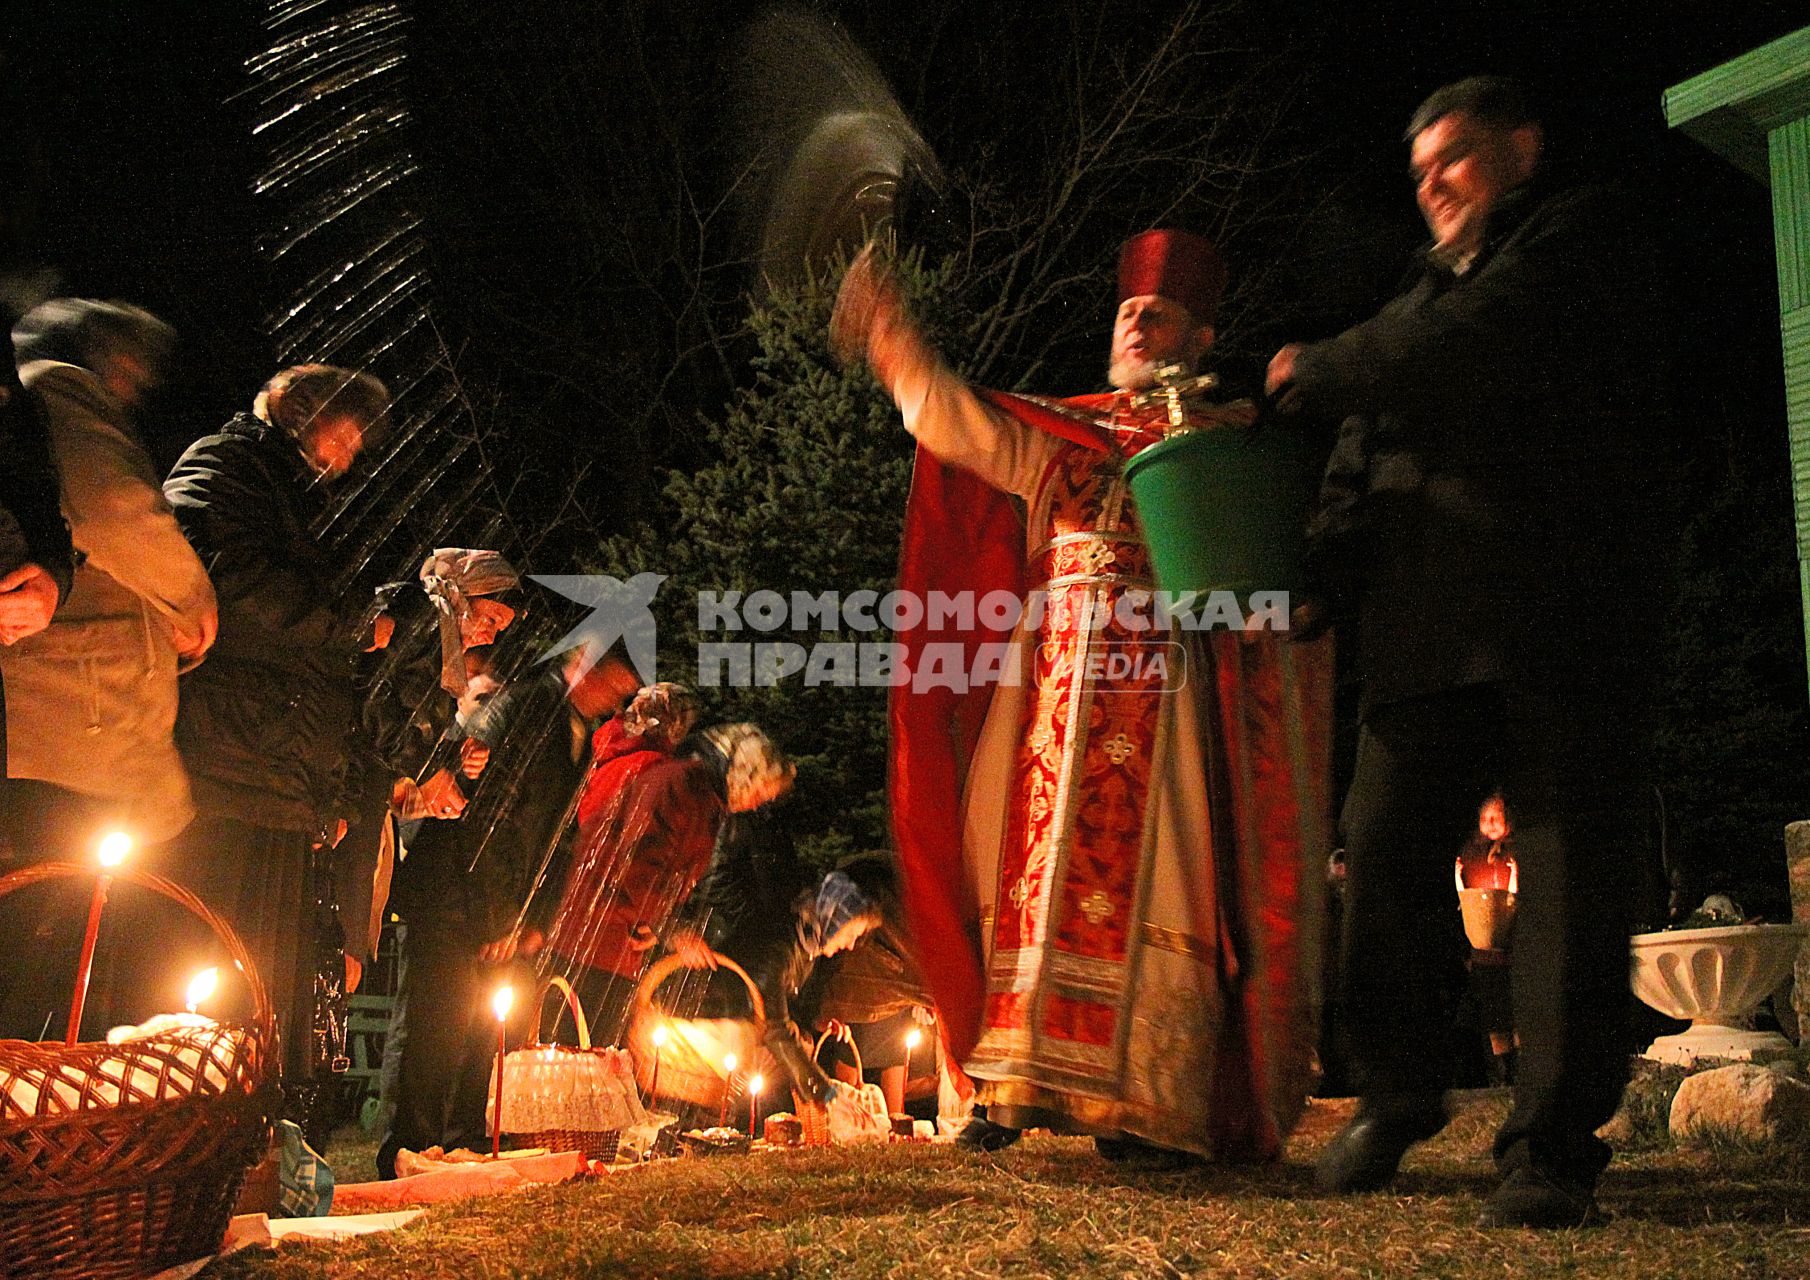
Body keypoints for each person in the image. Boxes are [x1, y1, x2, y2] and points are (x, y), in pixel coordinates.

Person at [833, 234, 1332, 1165]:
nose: (1138, 322)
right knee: (1026, 866)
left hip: (1171, 700)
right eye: (1127, 311)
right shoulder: (1062, 436)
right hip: (1052, 692)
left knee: (1173, 875)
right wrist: (894, 343)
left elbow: (1267, 569)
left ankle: (1147, 1103)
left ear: (1202, 337)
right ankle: (1011, 1083)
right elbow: (959, 425)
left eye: (1161, 314)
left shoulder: (1229, 442)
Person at [1266, 76, 1666, 1227]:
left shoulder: (1572, 244)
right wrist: (1322, 577)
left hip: (1560, 619)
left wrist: (1322, 360)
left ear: (1520, 151)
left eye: (1455, 154)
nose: (1433, 181)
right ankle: (1396, 1090)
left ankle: (1546, 1144)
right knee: (1379, 852)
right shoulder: (1410, 298)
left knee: (1567, 889)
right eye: (1420, 167)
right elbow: (1357, 456)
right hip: (1422, 632)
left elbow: (1464, 343)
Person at [163, 364, 393, 1086]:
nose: (349, 455)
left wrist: (328, 793)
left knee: (262, 980)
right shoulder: (224, 465)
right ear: (298, 409)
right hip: (227, 762)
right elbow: (223, 581)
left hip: (278, 778)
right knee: (202, 965)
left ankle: (247, 1131)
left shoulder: (295, 502)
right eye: (344, 432)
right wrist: (351, 623)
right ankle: (175, 1124)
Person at [0, 300, 215, 1043]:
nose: (134, 385)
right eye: (128, 368)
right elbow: (115, 507)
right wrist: (190, 597)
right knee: (50, 957)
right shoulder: (59, 392)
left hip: (71, 727)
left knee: (57, 951)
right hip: (73, 729)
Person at [540, 713, 791, 1044]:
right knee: (571, 1056)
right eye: (763, 791)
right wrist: (672, 930)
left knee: (593, 1057)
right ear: (745, 773)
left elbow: (665, 880)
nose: (760, 802)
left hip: (615, 945)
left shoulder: (706, 803)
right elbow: (637, 863)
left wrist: (656, 924)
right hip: (593, 942)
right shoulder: (680, 787)